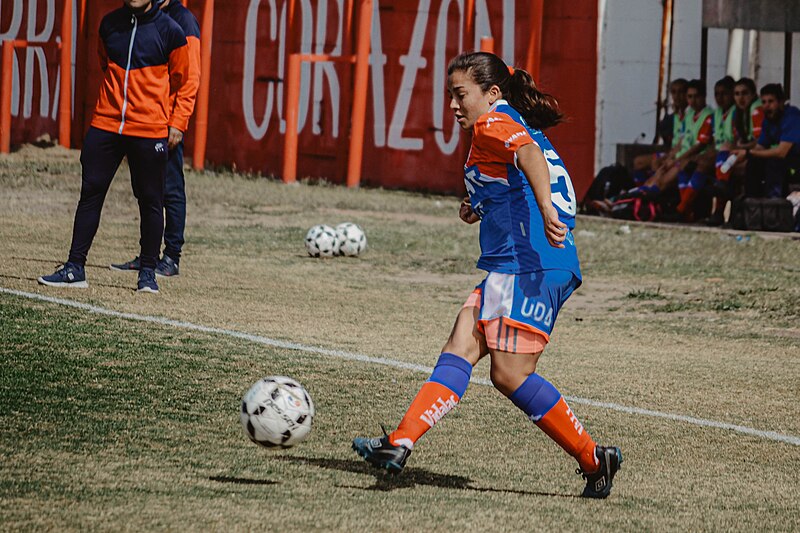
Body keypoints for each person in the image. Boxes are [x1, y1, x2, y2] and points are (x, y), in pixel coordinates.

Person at [352, 52, 622, 499]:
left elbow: (530, 159)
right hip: (527, 264)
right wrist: (476, 206)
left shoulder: (494, 123)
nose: (454, 106)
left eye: (461, 95)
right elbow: (510, 179)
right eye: (451, 96)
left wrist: (548, 212)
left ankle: (594, 458)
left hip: (527, 265)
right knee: (462, 342)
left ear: (492, 93)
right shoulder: (509, 125)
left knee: (510, 374)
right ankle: (400, 442)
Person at [38, 0, 189, 293]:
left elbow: (182, 81)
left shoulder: (171, 31)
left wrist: (176, 122)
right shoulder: (108, 24)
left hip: (148, 129)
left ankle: (148, 273)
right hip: (106, 125)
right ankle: (75, 268)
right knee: (90, 194)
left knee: (150, 201)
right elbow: (104, 62)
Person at [111, 0, 201, 277]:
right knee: (146, 190)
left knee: (170, 189)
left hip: (165, 121)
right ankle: (148, 254)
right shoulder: (137, 15)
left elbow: (191, 77)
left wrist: (178, 121)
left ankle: (171, 257)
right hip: (141, 120)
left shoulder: (182, 20)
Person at [732, 83, 800, 198]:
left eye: (771, 101)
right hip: (785, 162)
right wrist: (741, 157)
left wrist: (749, 153)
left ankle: (774, 204)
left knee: (773, 163)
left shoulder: (792, 117)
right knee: (753, 163)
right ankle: (752, 204)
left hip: (795, 163)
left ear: (781, 102)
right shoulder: (768, 120)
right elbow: (760, 146)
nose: (767, 106)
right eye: (764, 102)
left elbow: (781, 152)